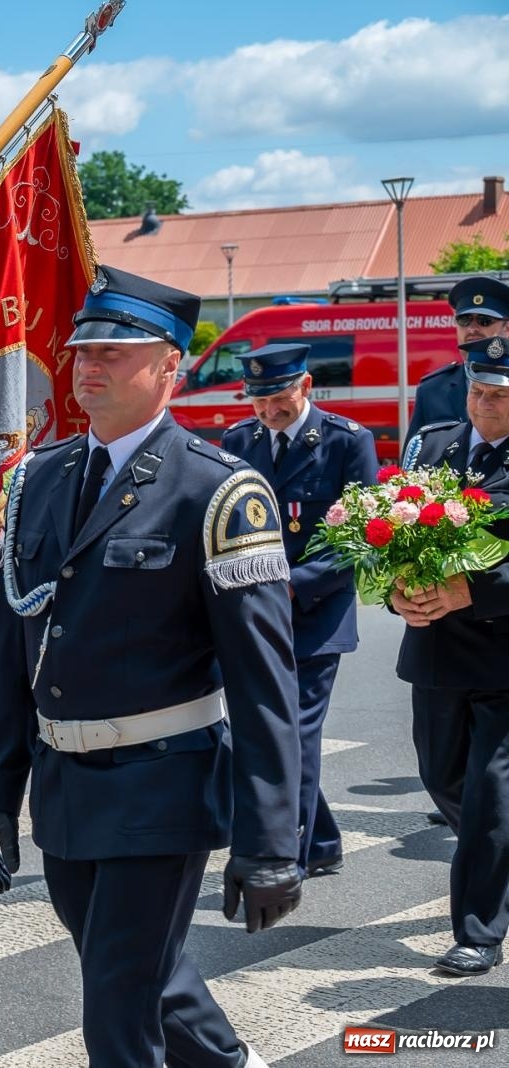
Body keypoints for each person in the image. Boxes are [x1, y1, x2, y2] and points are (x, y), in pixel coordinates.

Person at [0, 265, 303, 1068]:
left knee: (116, 1017)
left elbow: (265, 688)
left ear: (169, 368)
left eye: (117, 352)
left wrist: (271, 842)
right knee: (152, 986)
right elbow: (10, 654)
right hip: (66, 787)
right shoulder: (35, 482)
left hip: (162, 783)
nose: (90, 365)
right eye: (84, 349)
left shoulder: (219, 492)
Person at [223, 345, 379, 878]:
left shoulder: (346, 441)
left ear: (306, 386)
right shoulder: (239, 442)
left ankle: (286, 850)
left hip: (315, 613)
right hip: (256, 614)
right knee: (273, 726)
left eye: (279, 397)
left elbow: (360, 536)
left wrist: (294, 585)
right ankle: (324, 840)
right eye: (258, 399)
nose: (268, 410)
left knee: (296, 731)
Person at [392, 333, 509, 977]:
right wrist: (398, 595)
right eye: (476, 390)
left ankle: (477, 931)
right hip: (436, 648)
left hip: (501, 651)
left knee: (493, 793)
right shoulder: (434, 446)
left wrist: (473, 587)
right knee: (443, 778)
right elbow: (390, 537)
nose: (483, 405)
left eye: (497, 395)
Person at [406, 276, 509, 446]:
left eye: (484, 321)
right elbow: (414, 460)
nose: (472, 329)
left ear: (507, 328)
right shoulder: (432, 389)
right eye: (464, 320)